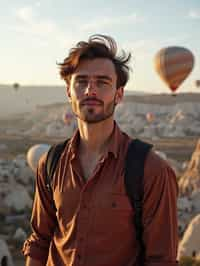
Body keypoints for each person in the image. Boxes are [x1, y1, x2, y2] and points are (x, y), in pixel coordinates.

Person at [22, 34, 179, 266]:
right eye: (81, 81)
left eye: (102, 82)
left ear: (119, 94)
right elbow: (39, 243)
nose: (90, 91)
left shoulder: (150, 169)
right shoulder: (51, 163)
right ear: (68, 92)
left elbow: (161, 260)